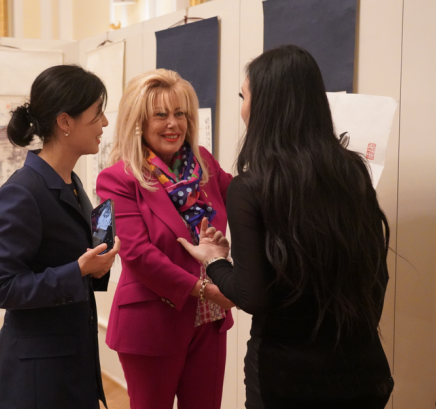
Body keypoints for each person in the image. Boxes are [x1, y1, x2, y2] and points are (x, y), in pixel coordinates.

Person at [179, 45, 394, 409]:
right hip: (362, 368)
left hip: (287, 376)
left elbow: (252, 296)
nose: (242, 107)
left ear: (264, 105)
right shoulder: (352, 172)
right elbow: (377, 275)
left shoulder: (250, 187)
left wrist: (215, 260)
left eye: (244, 97)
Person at [96, 69, 234, 409]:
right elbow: (138, 254)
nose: (173, 124)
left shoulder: (204, 164)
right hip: (152, 322)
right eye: (160, 115)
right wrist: (206, 289)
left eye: (180, 113)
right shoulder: (117, 179)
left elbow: (247, 200)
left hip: (210, 320)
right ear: (139, 122)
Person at [0, 65, 120, 409]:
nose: (105, 123)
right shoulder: (22, 191)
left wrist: (95, 268)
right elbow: (1, 287)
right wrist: (78, 270)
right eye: (97, 113)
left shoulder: (71, 183)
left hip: (71, 364)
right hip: (38, 377)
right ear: (65, 122)